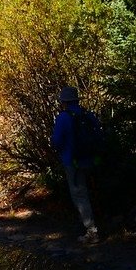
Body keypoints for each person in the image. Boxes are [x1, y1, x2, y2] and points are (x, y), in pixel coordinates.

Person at [51, 86, 101, 244]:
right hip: (91, 159)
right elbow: (99, 134)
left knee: (79, 195)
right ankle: (94, 224)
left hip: (72, 161)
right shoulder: (88, 114)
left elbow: (56, 141)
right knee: (89, 191)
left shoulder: (64, 117)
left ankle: (91, 231)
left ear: (63, 102)